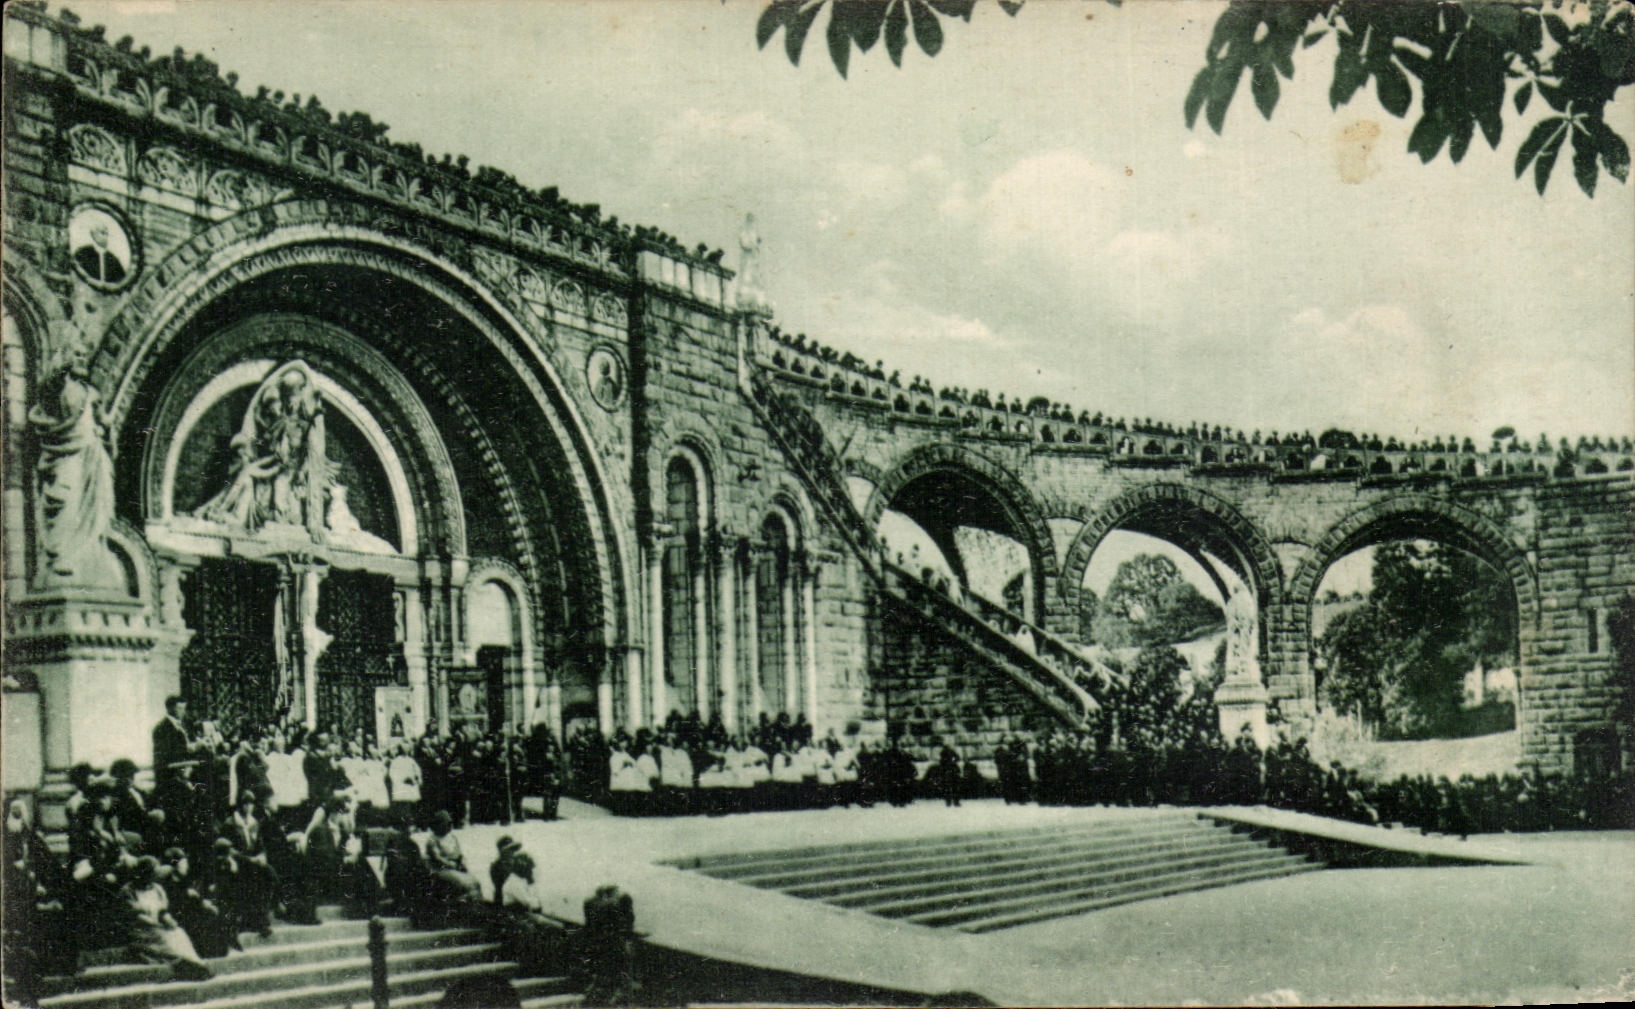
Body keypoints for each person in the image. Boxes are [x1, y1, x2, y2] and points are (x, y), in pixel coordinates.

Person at [122, 855, 213, 980]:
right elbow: (135, 915)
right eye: (152, 873)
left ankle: (195, 961)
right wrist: (156, 924)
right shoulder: (128, 891)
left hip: (158, 925)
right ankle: (188, 964)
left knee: (178, 932)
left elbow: (163, 910)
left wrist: (169, 921)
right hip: (141, 928)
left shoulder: (157, 889)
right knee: (164, 938)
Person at [424, 810, 482, 903]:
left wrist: (462, 862)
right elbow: (437, 858)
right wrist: (451, 864)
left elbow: (459, 853)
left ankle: (476, 903)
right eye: (446, 824)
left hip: (456, 867)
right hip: (441, 869)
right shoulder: (433, 840)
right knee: (462, 883)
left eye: (449, 824)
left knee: (475, 882)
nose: (449, 826)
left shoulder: (452, 837)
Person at [152, 696, 202, 795]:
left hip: (182, 766)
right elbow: (167, 753)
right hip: (169, 771)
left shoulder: (182, 725)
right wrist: (191, 748)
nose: (183, 712)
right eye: (180, 708)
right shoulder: (162, 728)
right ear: (170, 709)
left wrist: (196, 745)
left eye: (184, 708)